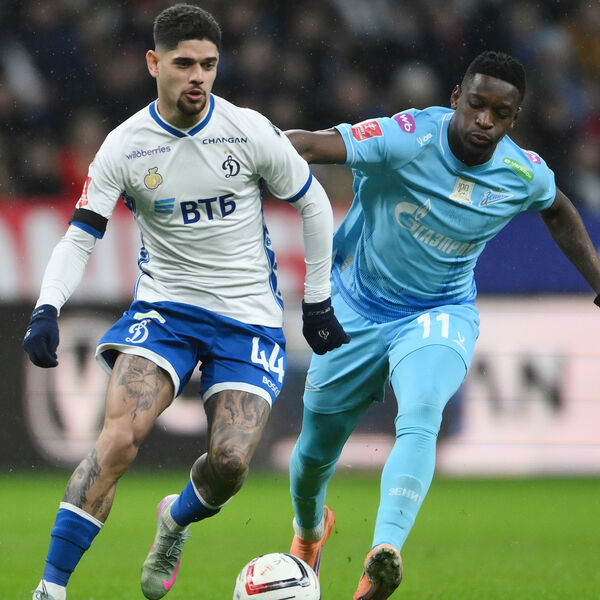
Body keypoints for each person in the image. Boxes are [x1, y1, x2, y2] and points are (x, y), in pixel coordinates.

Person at [22, 5, 349, 600]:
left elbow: (314, 203)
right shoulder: (125, 146)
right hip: (164, 313)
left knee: (230, 464)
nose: (198, 76)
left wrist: (319, 301)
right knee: (116, 441)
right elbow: (80, 234)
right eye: (183, 63)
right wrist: (47, 308)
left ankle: (174, 522)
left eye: (208, 64)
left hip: (247, 320)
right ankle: (50, 588)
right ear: (153, 63)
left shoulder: (247, 131)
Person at [285, 50, 600, 599]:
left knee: (423, 410)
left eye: (500, 114)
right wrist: (230, 149)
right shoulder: (405, 137)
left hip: (439, 311)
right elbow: (309, 145)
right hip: (357, 305)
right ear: (456, 98)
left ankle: (383, 554)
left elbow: (557, 208)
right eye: (476, 105)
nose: (485, 121)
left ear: (514, 119)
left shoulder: (520, 172)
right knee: (313, 452)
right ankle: (309, 535)